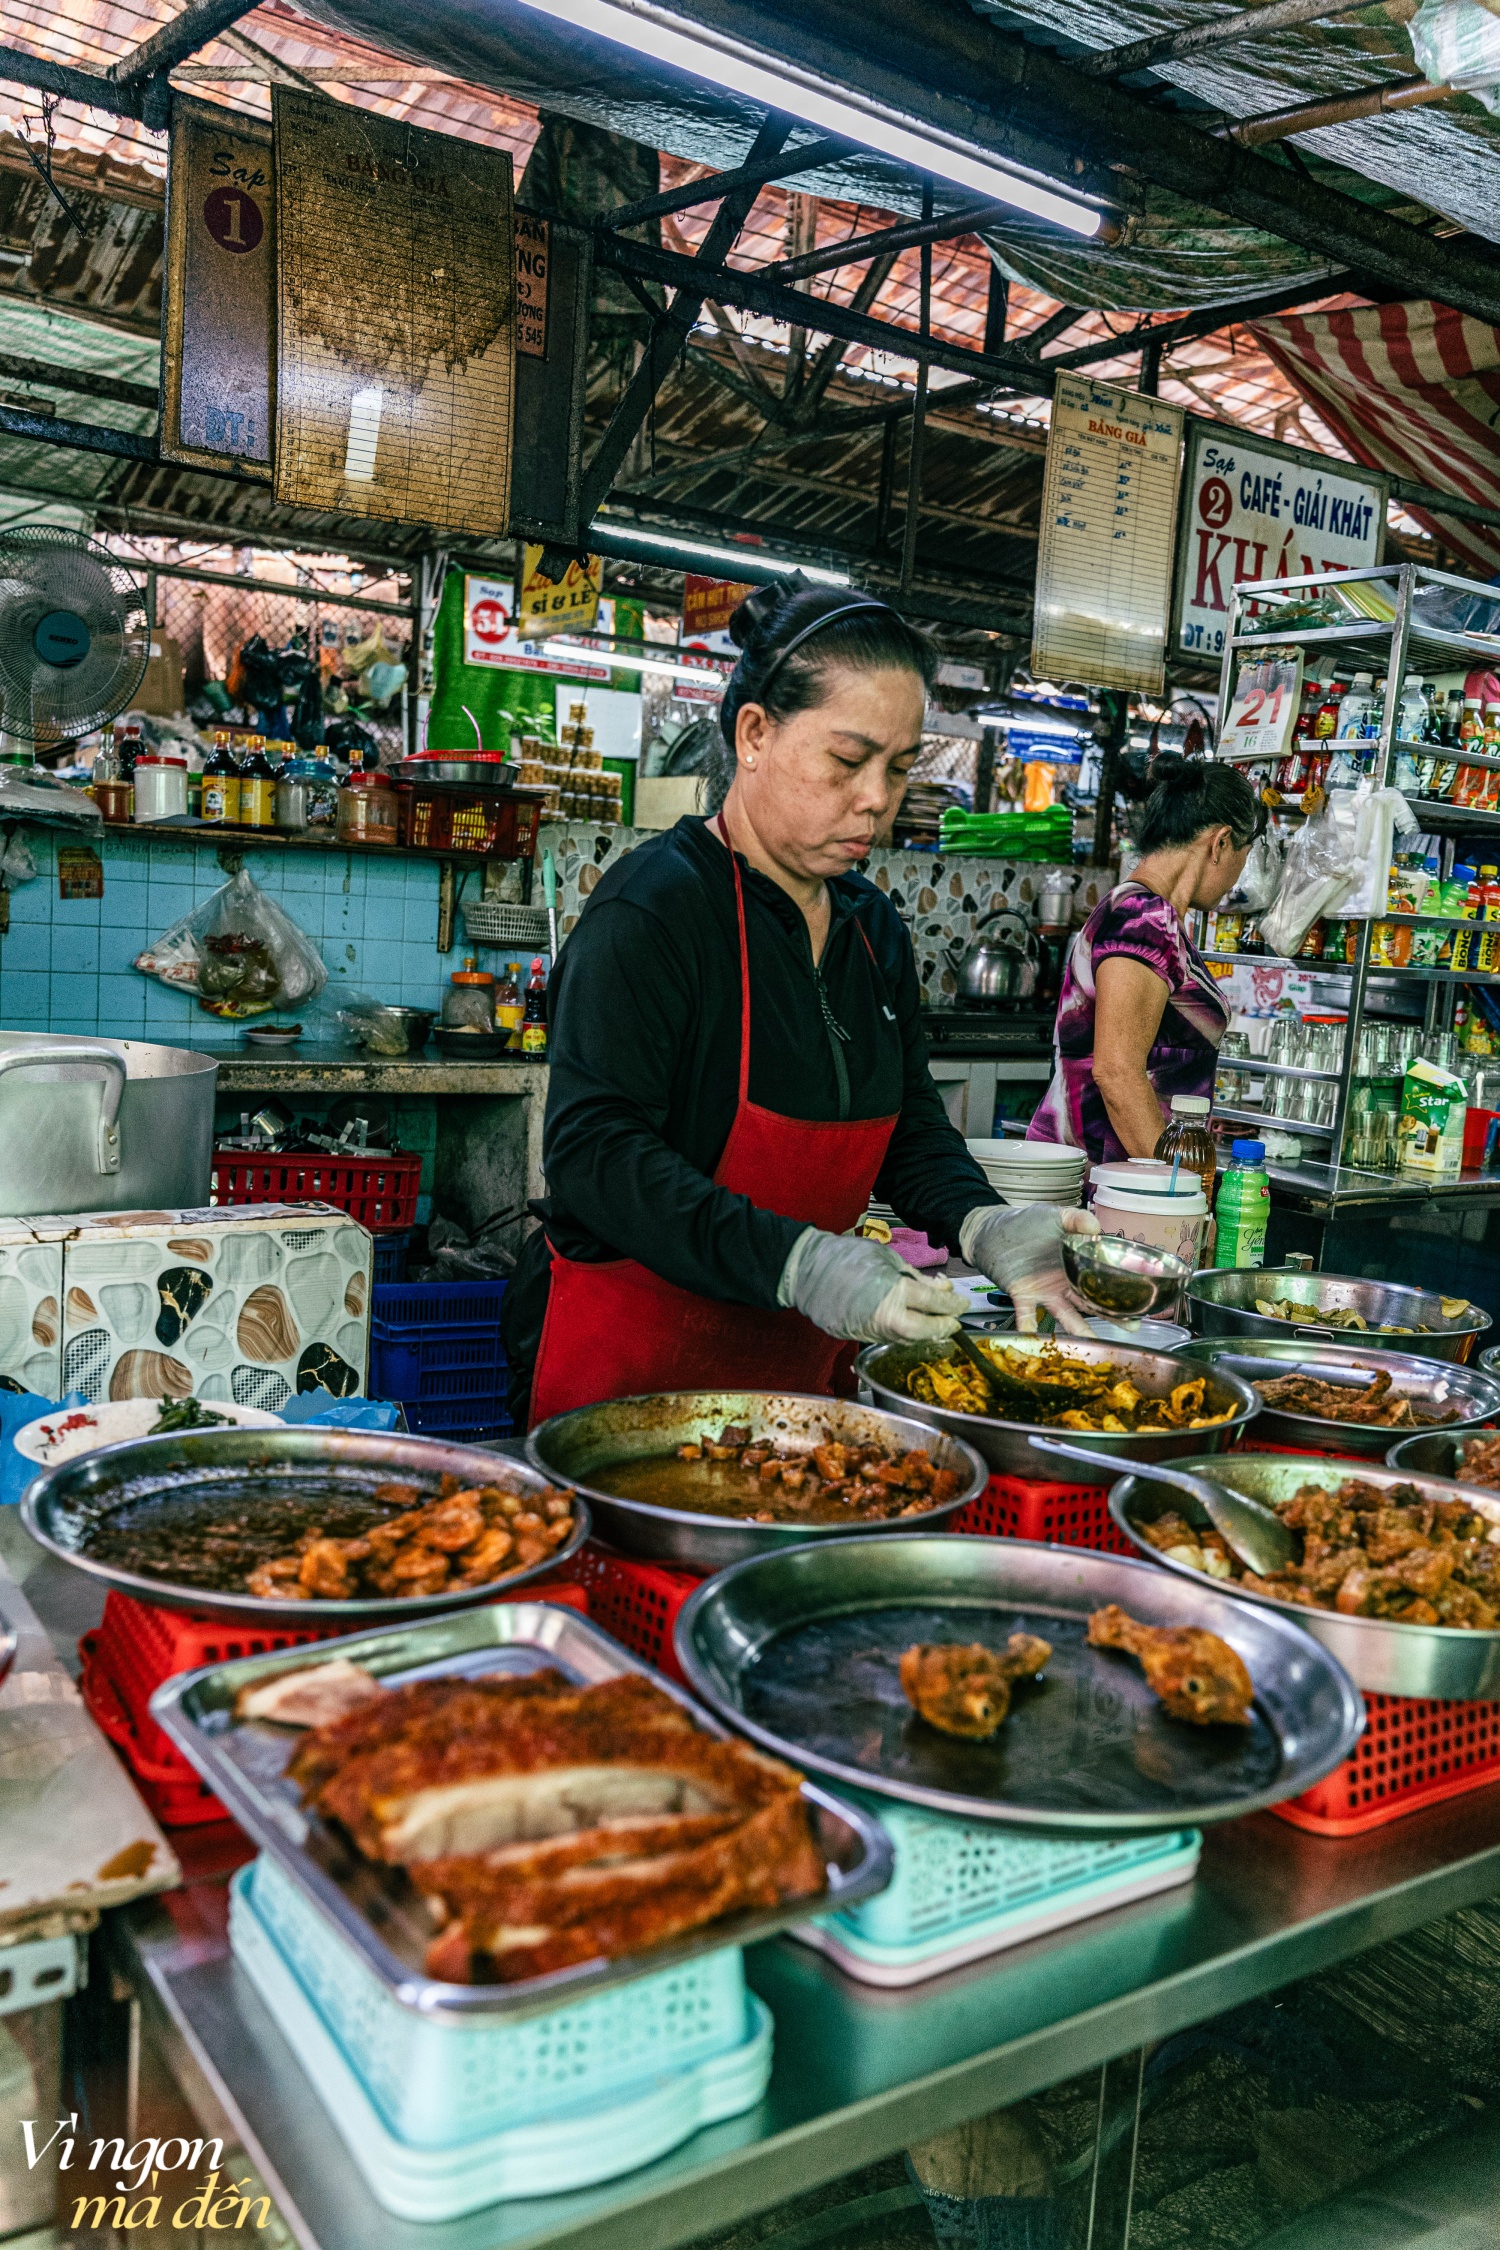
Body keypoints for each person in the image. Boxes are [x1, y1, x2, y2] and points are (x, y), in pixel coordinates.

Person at [502, 576, 1097, 1427]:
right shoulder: (654, 910)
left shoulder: (873, 929)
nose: (878, 799)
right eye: (848, 761)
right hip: (629, 1379)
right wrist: (803, 1265)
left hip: (794, 1384)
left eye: (899, 768)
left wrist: (984, 1224)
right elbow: (594, 1154)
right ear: (754, 734)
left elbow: (909, 1125)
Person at [1028, 757, 1266, 1165]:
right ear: (1221, 842)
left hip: (1115, 1174)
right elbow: (1118, 1074)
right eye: (1244, 855)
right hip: (1106, 1182)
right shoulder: (1143, 920)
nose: (1238, 876)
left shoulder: (1150, 916)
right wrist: (1175, 1191)